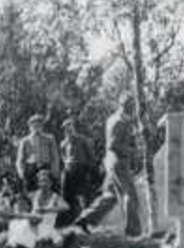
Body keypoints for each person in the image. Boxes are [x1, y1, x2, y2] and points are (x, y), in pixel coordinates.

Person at [77, 95, 140, 236]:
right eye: (130, 105)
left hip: (113, 162)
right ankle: (133, 232)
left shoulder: (118, 119)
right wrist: (131, 150)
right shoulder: (118, 121)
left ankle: (84, 219)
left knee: (110, 196)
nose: (132, 108)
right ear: (124, 105)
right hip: (119, 163)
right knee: (130, 195)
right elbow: (113, 145)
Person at [60, 117, 97, 226]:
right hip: (69, 170)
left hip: (82, 168)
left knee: (85, 196)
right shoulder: (63, 143)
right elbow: (63, 157)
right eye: (65, 128)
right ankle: (71, 221)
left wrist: (91, 169)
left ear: (73, 127)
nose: (68, 129)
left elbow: (90, 155)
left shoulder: (82, 139)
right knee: (67, 196)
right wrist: (67, 165)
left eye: (70, 126)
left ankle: (87, 221)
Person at [15, 113, 61, 194]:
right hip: (31, 168)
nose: (36, 127)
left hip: (45, 167)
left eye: (39, 124)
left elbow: (55, 156)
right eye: (34, 125)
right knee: (29, 191)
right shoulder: (25, 141)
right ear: (30, 127)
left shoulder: (49, 138)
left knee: (50, 190)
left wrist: (55, 170)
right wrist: (21, 172)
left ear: (42, 126)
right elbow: (20, 159)